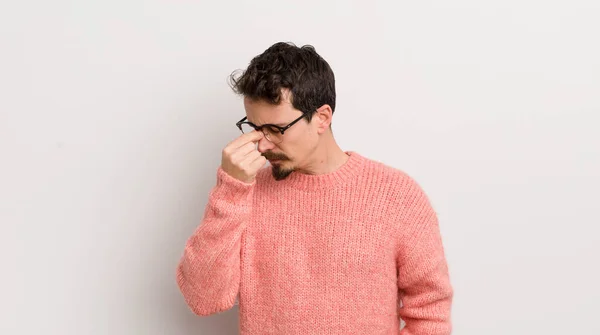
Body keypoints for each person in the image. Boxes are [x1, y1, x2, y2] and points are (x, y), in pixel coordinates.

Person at [176, 41, 453, 334]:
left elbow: (429, 313)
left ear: (322, 117)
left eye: (276, 129)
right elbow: (203, 300)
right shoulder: (243, 192)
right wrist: (230, 190)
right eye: (256, 128)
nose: (263, 143)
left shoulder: (396, 195)